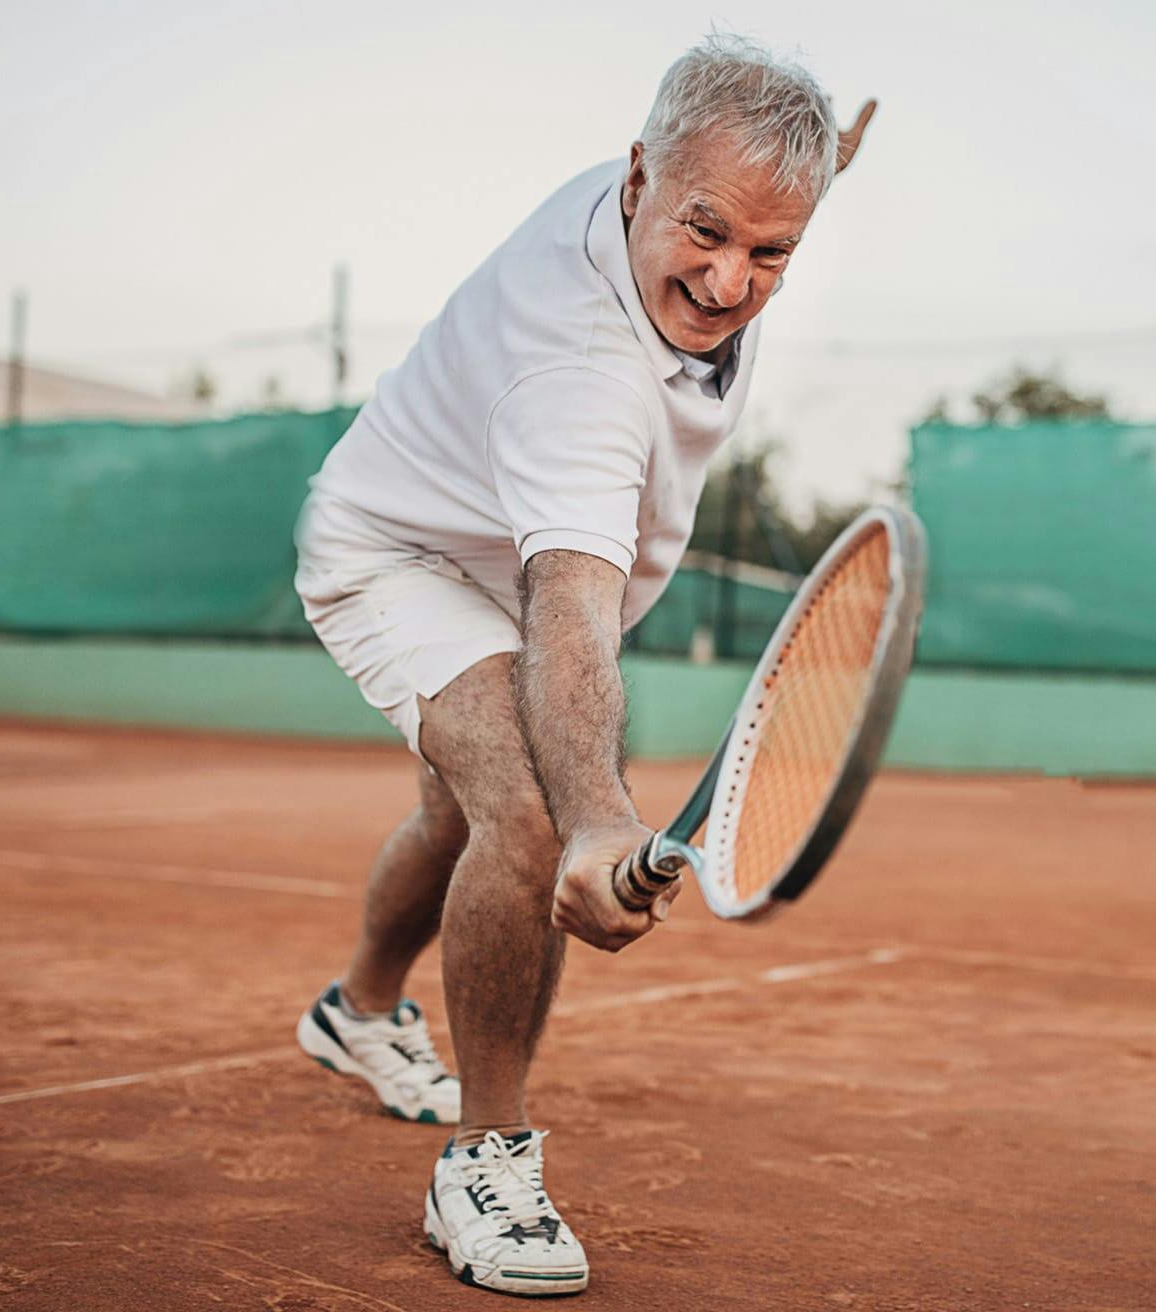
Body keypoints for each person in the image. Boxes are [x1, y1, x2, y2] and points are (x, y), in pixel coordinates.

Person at [291, 33, 875, 1297]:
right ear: (636, 179)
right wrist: (597, 819)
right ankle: (483, 1159)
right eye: (707, 231)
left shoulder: (696, 186)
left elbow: (758, 190)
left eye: (772, 251)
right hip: (405, 553)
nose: (727, 280)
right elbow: (567, 607)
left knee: (454, 812)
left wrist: (830, 154)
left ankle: (358, 1012)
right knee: (522, 812)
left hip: (516, 543)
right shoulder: (579, 375)